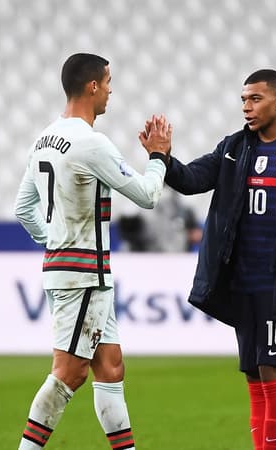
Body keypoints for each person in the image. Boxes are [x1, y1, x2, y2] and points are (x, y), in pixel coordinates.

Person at [160, 69, 276, 449]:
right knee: (253, 375)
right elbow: (192, 179)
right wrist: (161, 157)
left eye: (255, 99)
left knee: (272, 369)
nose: (246, 107)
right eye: (243, 100)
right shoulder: (235, 147)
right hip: (241, 282)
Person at [13, 53, 172, 450]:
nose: (111, 90)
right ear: (93, 86)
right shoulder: (90, 143)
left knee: (110, 367)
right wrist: (158, 156)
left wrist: (53, 239)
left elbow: (23, 207)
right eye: (109, 81)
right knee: (69, 373)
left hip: (74, 268)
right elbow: (148, 195)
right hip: (83, 274)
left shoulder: (44, 138)